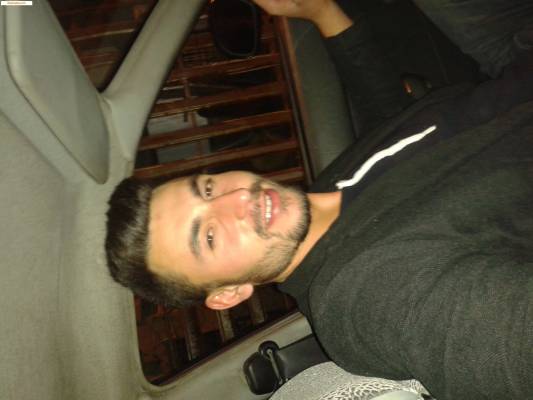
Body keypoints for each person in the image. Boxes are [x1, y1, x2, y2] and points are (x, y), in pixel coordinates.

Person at [105, 0, 533, 398]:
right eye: (210, 236)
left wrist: (322, 11)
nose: (237, 199)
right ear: (229, 294)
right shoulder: (368, 297)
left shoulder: (324, 196)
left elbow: (392, 128)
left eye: (208, 189)